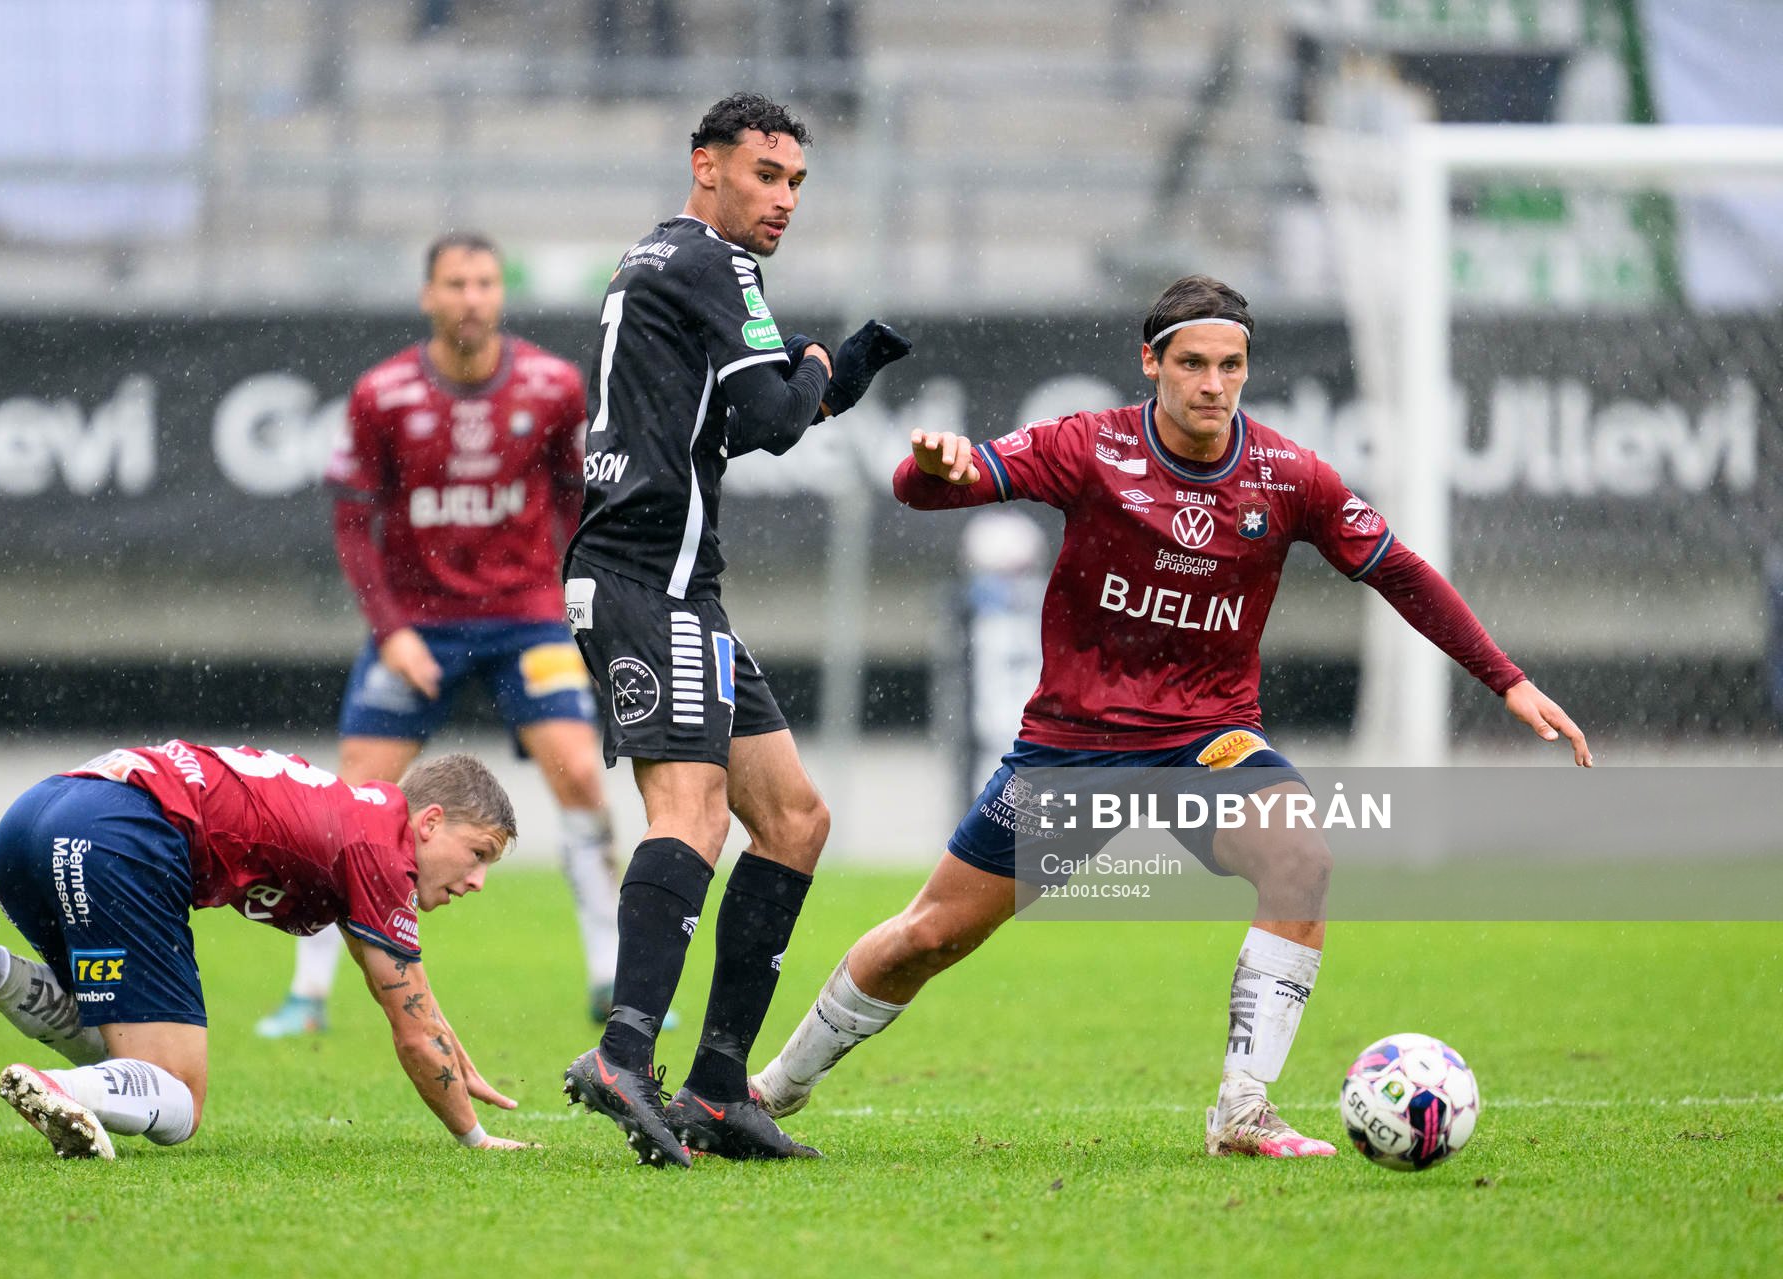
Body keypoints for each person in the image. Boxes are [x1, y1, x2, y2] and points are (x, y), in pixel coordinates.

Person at [750, 274, 1594, 1158]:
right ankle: (776, 1085)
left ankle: (1242, 1109)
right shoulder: (1090, 447)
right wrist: (929, 469)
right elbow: (933, 488)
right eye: (1192, 363)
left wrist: (1506, 680)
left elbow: (1398, 569)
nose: (1213, 384)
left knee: (1299, 855)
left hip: (1207, 740)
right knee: (929, 937)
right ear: (1151, 362)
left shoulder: (1287, 474)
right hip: (1072, 748)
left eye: (1231, 365)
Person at [557, 92, 913, 1167]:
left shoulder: (663, 262)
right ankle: (624, 1050)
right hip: (643, 580)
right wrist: (817, 367)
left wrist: (827, 379)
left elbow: (742, 424)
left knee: (794, 818)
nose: (784, 198)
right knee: (692, 810)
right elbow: (769, 415)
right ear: (705, 166)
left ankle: (717, 1086)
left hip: (674, 586)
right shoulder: (717, 265)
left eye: (797, 181)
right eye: (766, 174)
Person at [254, 231, 635, 1039]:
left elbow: (578, 503)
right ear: (428, 295)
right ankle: (308, 991)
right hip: (418, 624)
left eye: (485, 283)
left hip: (527, 617)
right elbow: (355, 525)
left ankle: (613, 976)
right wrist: (390, 633)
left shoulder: (554, 384)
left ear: (502, 294)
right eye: (456, 283)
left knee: (581, 776)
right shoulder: (383, 393)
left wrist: (570, 610)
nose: (471, 298)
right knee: (349, 795)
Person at [0, 743, 527, 1159]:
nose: (476, 882)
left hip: (39, 814)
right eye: (478, 856)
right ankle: (58, 1088)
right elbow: (410, 1030)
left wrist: (447, 1046)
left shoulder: (358, 818)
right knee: (179, 1099)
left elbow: (409, 1004)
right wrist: (474, 1137)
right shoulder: (380, 850)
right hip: (123, 833)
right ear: (431, 821)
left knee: (117, 1044)